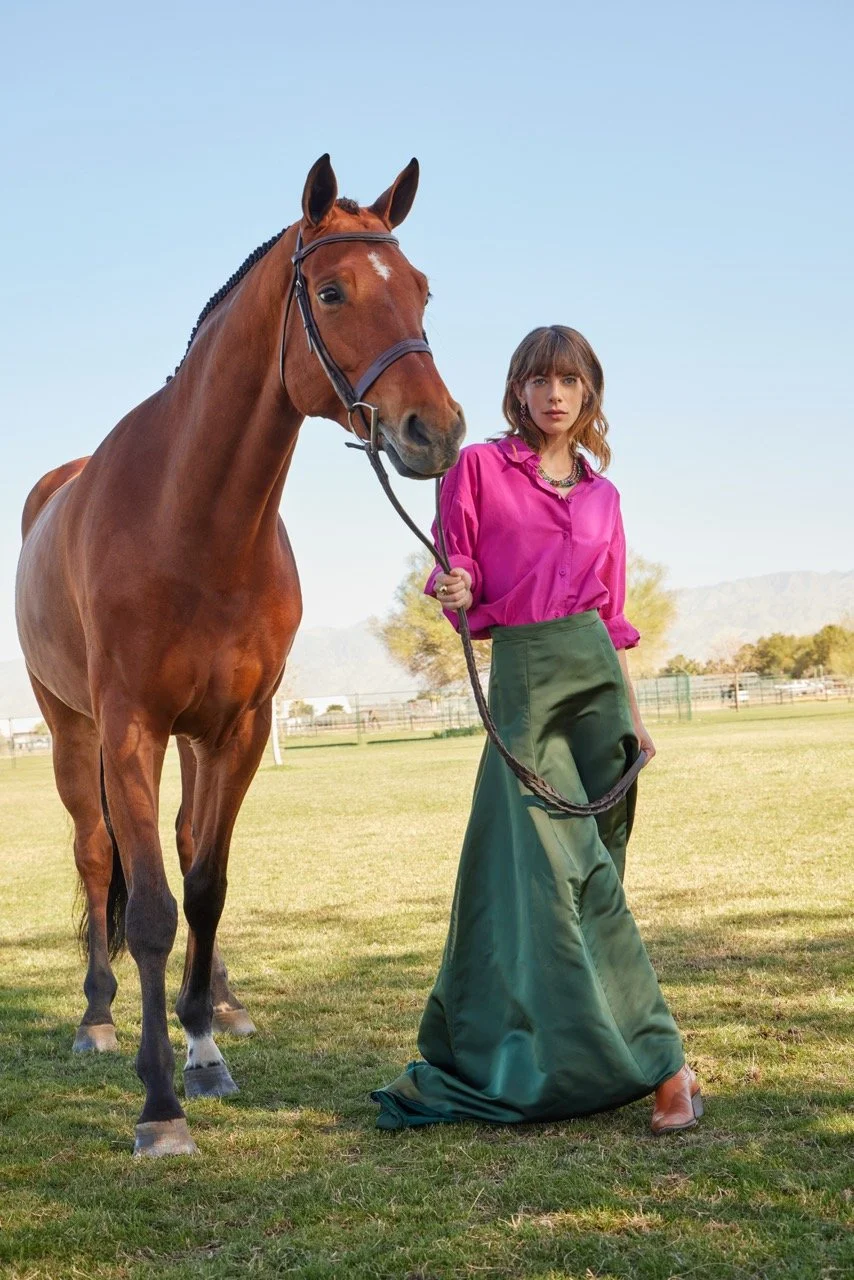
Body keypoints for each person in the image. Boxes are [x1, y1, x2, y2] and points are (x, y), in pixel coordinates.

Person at [371, 325, 702, 1135]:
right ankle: (666, 1067)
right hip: (524, 686)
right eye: (540, 379)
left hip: (596, 686)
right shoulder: (478, 468)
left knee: (591, 875)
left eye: (570, 381)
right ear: (518, 390)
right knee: (552, 879)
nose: (555, 394)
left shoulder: (604, 498)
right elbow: (460, 566)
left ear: (589, 394)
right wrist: (455, 583)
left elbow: (612, 618)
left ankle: (611, 1055)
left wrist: (634, 717)